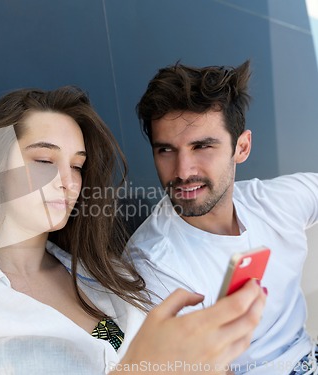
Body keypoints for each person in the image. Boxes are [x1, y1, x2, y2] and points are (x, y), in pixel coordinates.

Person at [0, 86, 266, 374]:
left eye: (77, 165)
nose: (66, 181)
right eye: (44, 159)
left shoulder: (102, 278)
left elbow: (122, 350)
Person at [130, 61, 318, 375]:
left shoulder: (273, 202)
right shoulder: (153, 265)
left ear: (241, 147)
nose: (183, 171)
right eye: (166, 150)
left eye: (202, 146)